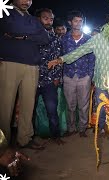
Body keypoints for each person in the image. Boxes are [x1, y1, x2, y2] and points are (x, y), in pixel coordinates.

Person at [48, 28, 109, 136]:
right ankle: (101, 127)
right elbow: (80, 51)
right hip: (102, 80)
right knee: (101, 107)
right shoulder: (97, 39)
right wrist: (61, 59)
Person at [0, 0, 49, 150]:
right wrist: (34, 31)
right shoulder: (5, 12)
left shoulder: (32, 19)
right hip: (9, 62)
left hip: (32, 65)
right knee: (5, 106)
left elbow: (45, 38)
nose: (26, 1)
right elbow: (14, 27)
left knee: (28, 104)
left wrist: (25, 36)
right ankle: (3, 144)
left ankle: (25, 138)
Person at [61, 10, 95, 138]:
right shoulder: (64, 39)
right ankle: (71, 128)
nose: (79, 23)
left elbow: (92, 58)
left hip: (84, 76)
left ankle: (82, 128)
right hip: (68, 75)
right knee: (70, 105)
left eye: (81, 21)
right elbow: (61, 57)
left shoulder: (89, 39)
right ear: (70, 22)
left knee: (84, 104)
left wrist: (90, 75)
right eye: (76, 20)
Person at [34, 8, 64, 145]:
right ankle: (30, 137)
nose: (49, 21)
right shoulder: (30, 36)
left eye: (51, 19)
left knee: (52, 110)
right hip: (31, 79)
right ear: (38, 19)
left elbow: (58, 59)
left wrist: (57, 77)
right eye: (45, 18)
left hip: (49, 81)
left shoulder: (55, 39)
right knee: (29, 110)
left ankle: (55, 135)